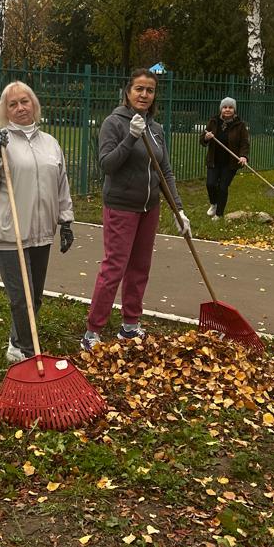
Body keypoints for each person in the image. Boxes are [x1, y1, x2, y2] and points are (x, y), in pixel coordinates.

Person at [80, 68, 191, 350]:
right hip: (121, 206)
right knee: (114, 268)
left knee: (140, 267)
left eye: (149, 90)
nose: (144, 95)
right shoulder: (114, 123)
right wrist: (130, 138)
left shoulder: (156, 129)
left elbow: (164, 170)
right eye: (139, 89)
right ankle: (92, 331)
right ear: (128, 91)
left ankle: (130, 325)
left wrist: (178, 209)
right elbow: (107, 165)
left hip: (148, 207)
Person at [0, 82, 74, 364]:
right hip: (10, 231)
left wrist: (66, 221)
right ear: (5, 111)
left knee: (34, 296)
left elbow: (61, 184)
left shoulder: (50, 143)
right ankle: (28, 352)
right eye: (12, 104)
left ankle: (16, 343)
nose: (20, 108)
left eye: (24, 101)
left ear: (34, 104)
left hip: (42, 231)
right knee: (20, 298)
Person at [202, 97, 249, 219]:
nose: (227, 110)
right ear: (221, 109)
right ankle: (214, 203)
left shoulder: (240, 125)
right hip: (214, 160)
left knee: (223, 187)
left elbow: (244, 143)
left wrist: (243, 156)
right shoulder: (214, 121)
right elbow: (202, 140)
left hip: (230, 163)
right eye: (225, 107)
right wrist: (206, 137)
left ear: (234, 110)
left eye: (230, 107)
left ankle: (219, 214)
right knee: (210, 184)